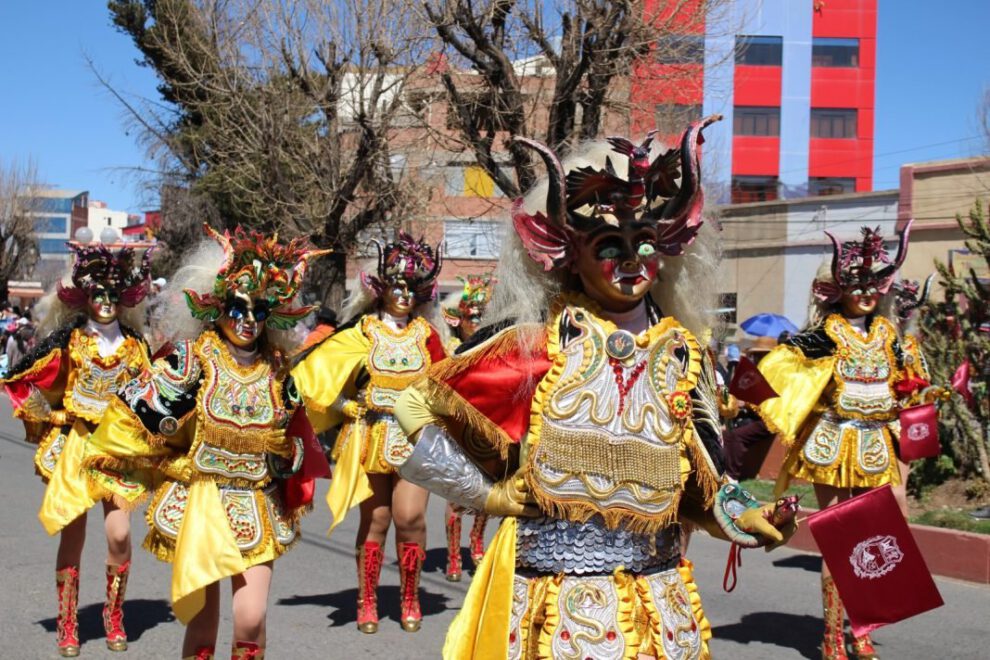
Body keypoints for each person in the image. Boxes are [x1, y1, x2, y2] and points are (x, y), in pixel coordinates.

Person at [392, 122, 796, 659]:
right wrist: (487, 495)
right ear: (567, 252)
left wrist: (747, 518)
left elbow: (701, 486)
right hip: (560, 611)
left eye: (645, 242)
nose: (631, 261)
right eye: (611, 244)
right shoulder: (535, 345)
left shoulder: (682, 353)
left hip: (658, 608)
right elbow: (413, 403)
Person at [82, 225, 329, 659]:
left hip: (256, 502)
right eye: (239, 307)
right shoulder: (193, 361)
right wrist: (170, 465)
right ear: (216, 307)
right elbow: (134, 419)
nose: (249, 320)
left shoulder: (278, 370)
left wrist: (286, 454)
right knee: (203, 624)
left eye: (259, 309)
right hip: (202, 505)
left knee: (251, 619)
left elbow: (302, 444)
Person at [756, 223, 933, 660]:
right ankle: (834, 638)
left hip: (877, 444)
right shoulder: (821, 336)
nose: (866, 292)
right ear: (836, 288)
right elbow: (777, 376)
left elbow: (915, 385)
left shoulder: (891, 338)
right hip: (832, 445)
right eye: (856, 283)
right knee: (840, 540)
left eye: (874, 283)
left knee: (874, 541)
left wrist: (916, 394)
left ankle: (864, 630)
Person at [2, 243, 153, 657]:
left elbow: (152, 398)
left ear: (123, 297)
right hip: (77, 448)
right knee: (73, 532)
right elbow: (33, 382)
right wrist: (52, 417)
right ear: (85, 295)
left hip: (119, 450)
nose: (105, 301)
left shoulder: (137, 347)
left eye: (112, 293)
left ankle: (114, 614)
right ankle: (68, 621)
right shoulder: (69, 341)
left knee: (120, 534)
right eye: (98, 292)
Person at [292, 232, 446, 634]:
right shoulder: (361, 332)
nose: (404, 295)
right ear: (381, 290)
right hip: (370, 436)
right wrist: (349, 407)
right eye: (397, 286)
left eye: (412, 289)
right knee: (376, 520)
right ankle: (367, 599)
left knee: (410, 517)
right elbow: (320, 379)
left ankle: (410, 596)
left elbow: (448, 384)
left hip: (416, 440)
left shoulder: (428, 336)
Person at [438, 274, 496, 581]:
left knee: (485, 494)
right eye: (471, 316)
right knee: (456, 497)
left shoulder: (492, 347)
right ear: (458, 320)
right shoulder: (449, 349)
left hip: (487, 428)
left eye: (481, 316)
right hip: (456, 429)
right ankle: (452, 556)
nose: (476, 321)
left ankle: (476, 542)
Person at [722, 336, 778, 481]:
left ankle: (732, 477)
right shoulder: (761, 371)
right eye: (756, 354)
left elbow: (769, 404)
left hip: (770, 421)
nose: (757, 358)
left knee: (734, 436)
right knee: (729, 432)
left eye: (761, 354)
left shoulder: (775, 374)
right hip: (759, 417)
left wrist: (745, 403)